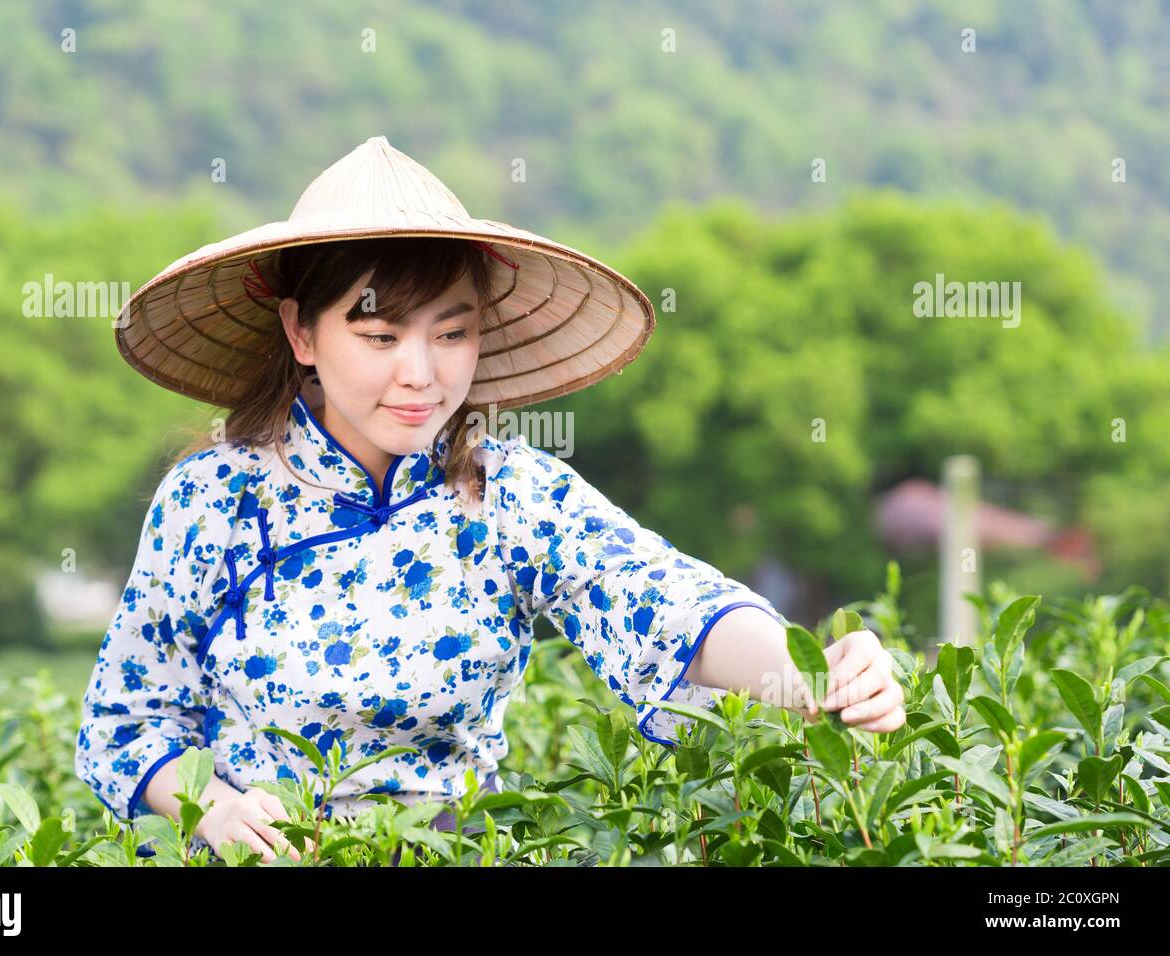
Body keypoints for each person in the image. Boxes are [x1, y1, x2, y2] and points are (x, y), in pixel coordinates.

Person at [75, 137, 905, 865]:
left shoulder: (510, 493)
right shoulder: (216, 498)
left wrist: (809, 673)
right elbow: (128, 718)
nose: (421, 373)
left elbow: (663, 603)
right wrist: (218, 810)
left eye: (452, 332)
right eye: (379, 336)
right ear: (302, 334)